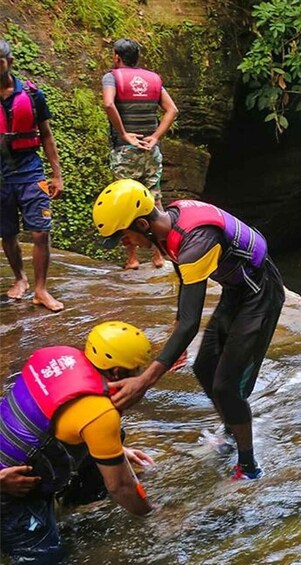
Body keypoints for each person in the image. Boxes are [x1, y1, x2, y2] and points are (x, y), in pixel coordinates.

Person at [92, 180, 285, 480]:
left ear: (142, 223)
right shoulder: (167, 227)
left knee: (226, 386)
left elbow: (191, 323)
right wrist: (177, 329)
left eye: (124, 235)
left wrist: (144, 381)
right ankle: (232, 433)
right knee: (205, 367)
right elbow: (185, 282)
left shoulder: (197, 240)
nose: (124, 243)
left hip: (260, 294)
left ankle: (248, 467)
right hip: (237, 291)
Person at [0, 322, 155, 562]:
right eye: (136, 370)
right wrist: (153, 516)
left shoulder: (56, 356)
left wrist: (116, 449)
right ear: (116, 372)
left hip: (11, 458)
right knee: (45, 556)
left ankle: (72, 506)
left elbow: (47, 415)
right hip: (11, 487)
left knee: (115, 439)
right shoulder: (99, 413)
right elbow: (121, 487)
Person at [102, 38, 179, 270]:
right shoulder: (154, 79)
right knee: (154, 199)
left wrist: (124, 133)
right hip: (150, 150)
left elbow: (108, 104)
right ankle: (159, 256)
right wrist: (155, 137)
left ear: (117, 56)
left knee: (124, 204)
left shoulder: (112, 77)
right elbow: (172, 109)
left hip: (126, 151)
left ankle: (133, 259)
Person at [0, 39, 64, 312]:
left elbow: (47, 136)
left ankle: (41, 289)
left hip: (30, 170)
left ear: (10, 62)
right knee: (7, 233)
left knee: (40, 232)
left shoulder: (33, 95)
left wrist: (57, 175)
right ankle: (19, 278)